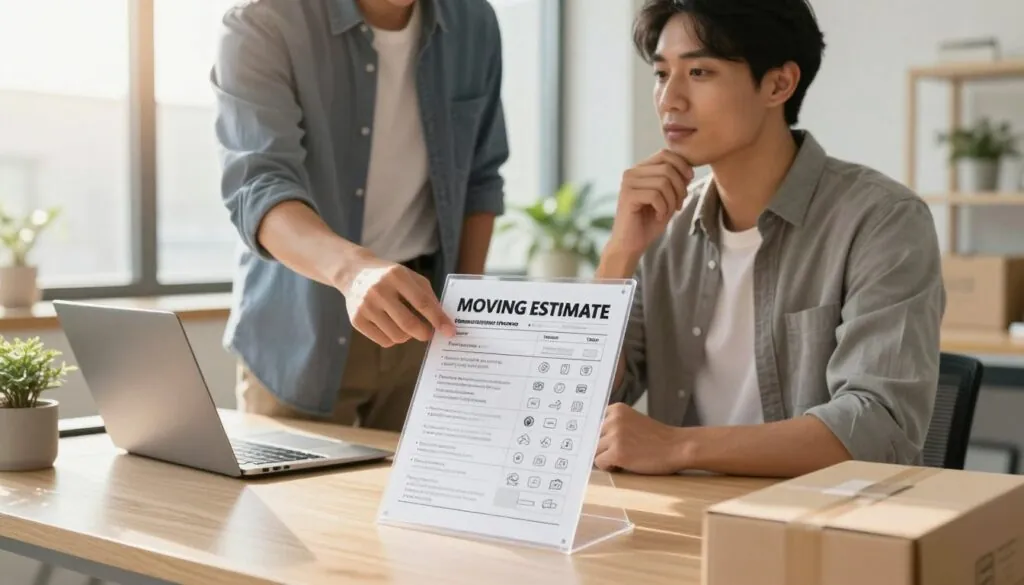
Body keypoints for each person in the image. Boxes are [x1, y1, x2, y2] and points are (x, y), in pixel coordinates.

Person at [594, 0, 945, 477]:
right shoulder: (664, 224)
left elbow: (878, 425)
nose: (669, 99)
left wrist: (677, 447)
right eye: (661, 74)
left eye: (699, 72)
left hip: (821, 515)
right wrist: (619, 253)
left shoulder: (882, 219)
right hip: (685, 510)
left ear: (778, 84)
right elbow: (579, 402)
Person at [211, 0, 508, 431]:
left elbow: (481, 178)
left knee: (420, 477)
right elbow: (258, 188)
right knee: (291, 479)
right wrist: (356, 273)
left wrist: (466, 314)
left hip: (424, 319)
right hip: (300, 326)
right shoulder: (263, 20)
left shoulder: (474, 22)